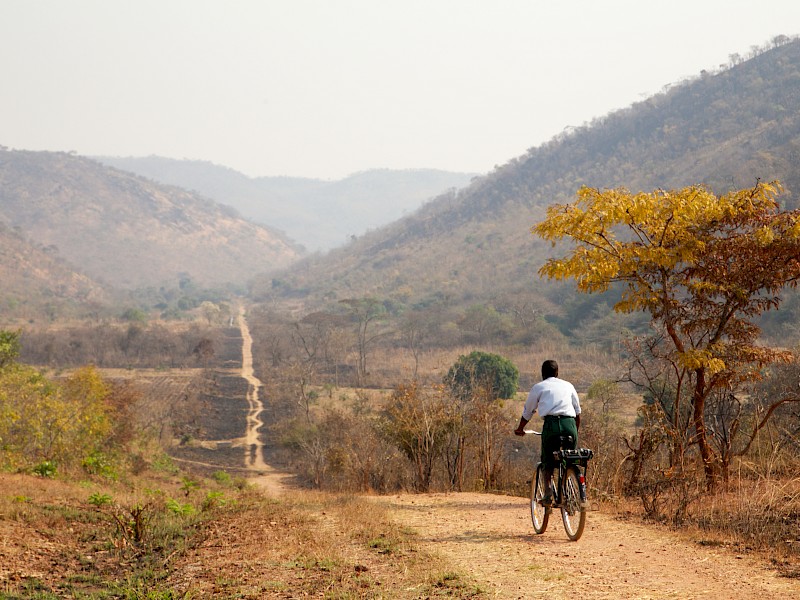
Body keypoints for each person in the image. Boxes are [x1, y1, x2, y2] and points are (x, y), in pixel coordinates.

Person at [514, 359, 581, 506]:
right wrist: (574, 431)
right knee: (569, 457)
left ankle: (548, 492)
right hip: (570, 424)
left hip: (551, 426)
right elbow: (577, 412)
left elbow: (528, 411)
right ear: (557, 373)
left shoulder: (539, 387)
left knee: (548, 461)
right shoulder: (568, 385)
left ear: (542, 374)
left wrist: (520, 429)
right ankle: (569, 485)